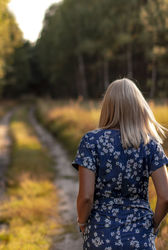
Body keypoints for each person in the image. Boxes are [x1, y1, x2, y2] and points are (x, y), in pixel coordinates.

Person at [72, 78, 168, 250]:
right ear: (138, 106)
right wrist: (153, 225)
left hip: (100, 236)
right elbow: (165, 197)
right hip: (140, 238)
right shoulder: (150, 145)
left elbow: (86, 197)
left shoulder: (91, 141)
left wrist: (82, 222)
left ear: (107, 106)